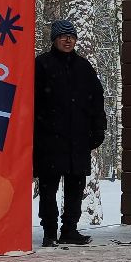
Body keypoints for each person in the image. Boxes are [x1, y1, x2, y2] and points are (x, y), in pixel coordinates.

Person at [33, 18, 107, 248]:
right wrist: (38, 128)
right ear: (54, 39)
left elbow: (97, 100)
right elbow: (31, 101)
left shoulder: (84, 67)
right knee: (49, 188)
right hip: (49, 139)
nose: (68, 40)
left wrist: (98, 129)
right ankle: (49, 232)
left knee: (75, 187)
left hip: (78, 139)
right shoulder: (41, 65)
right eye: (63, 36)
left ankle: (70, 230)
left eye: (71, 36)